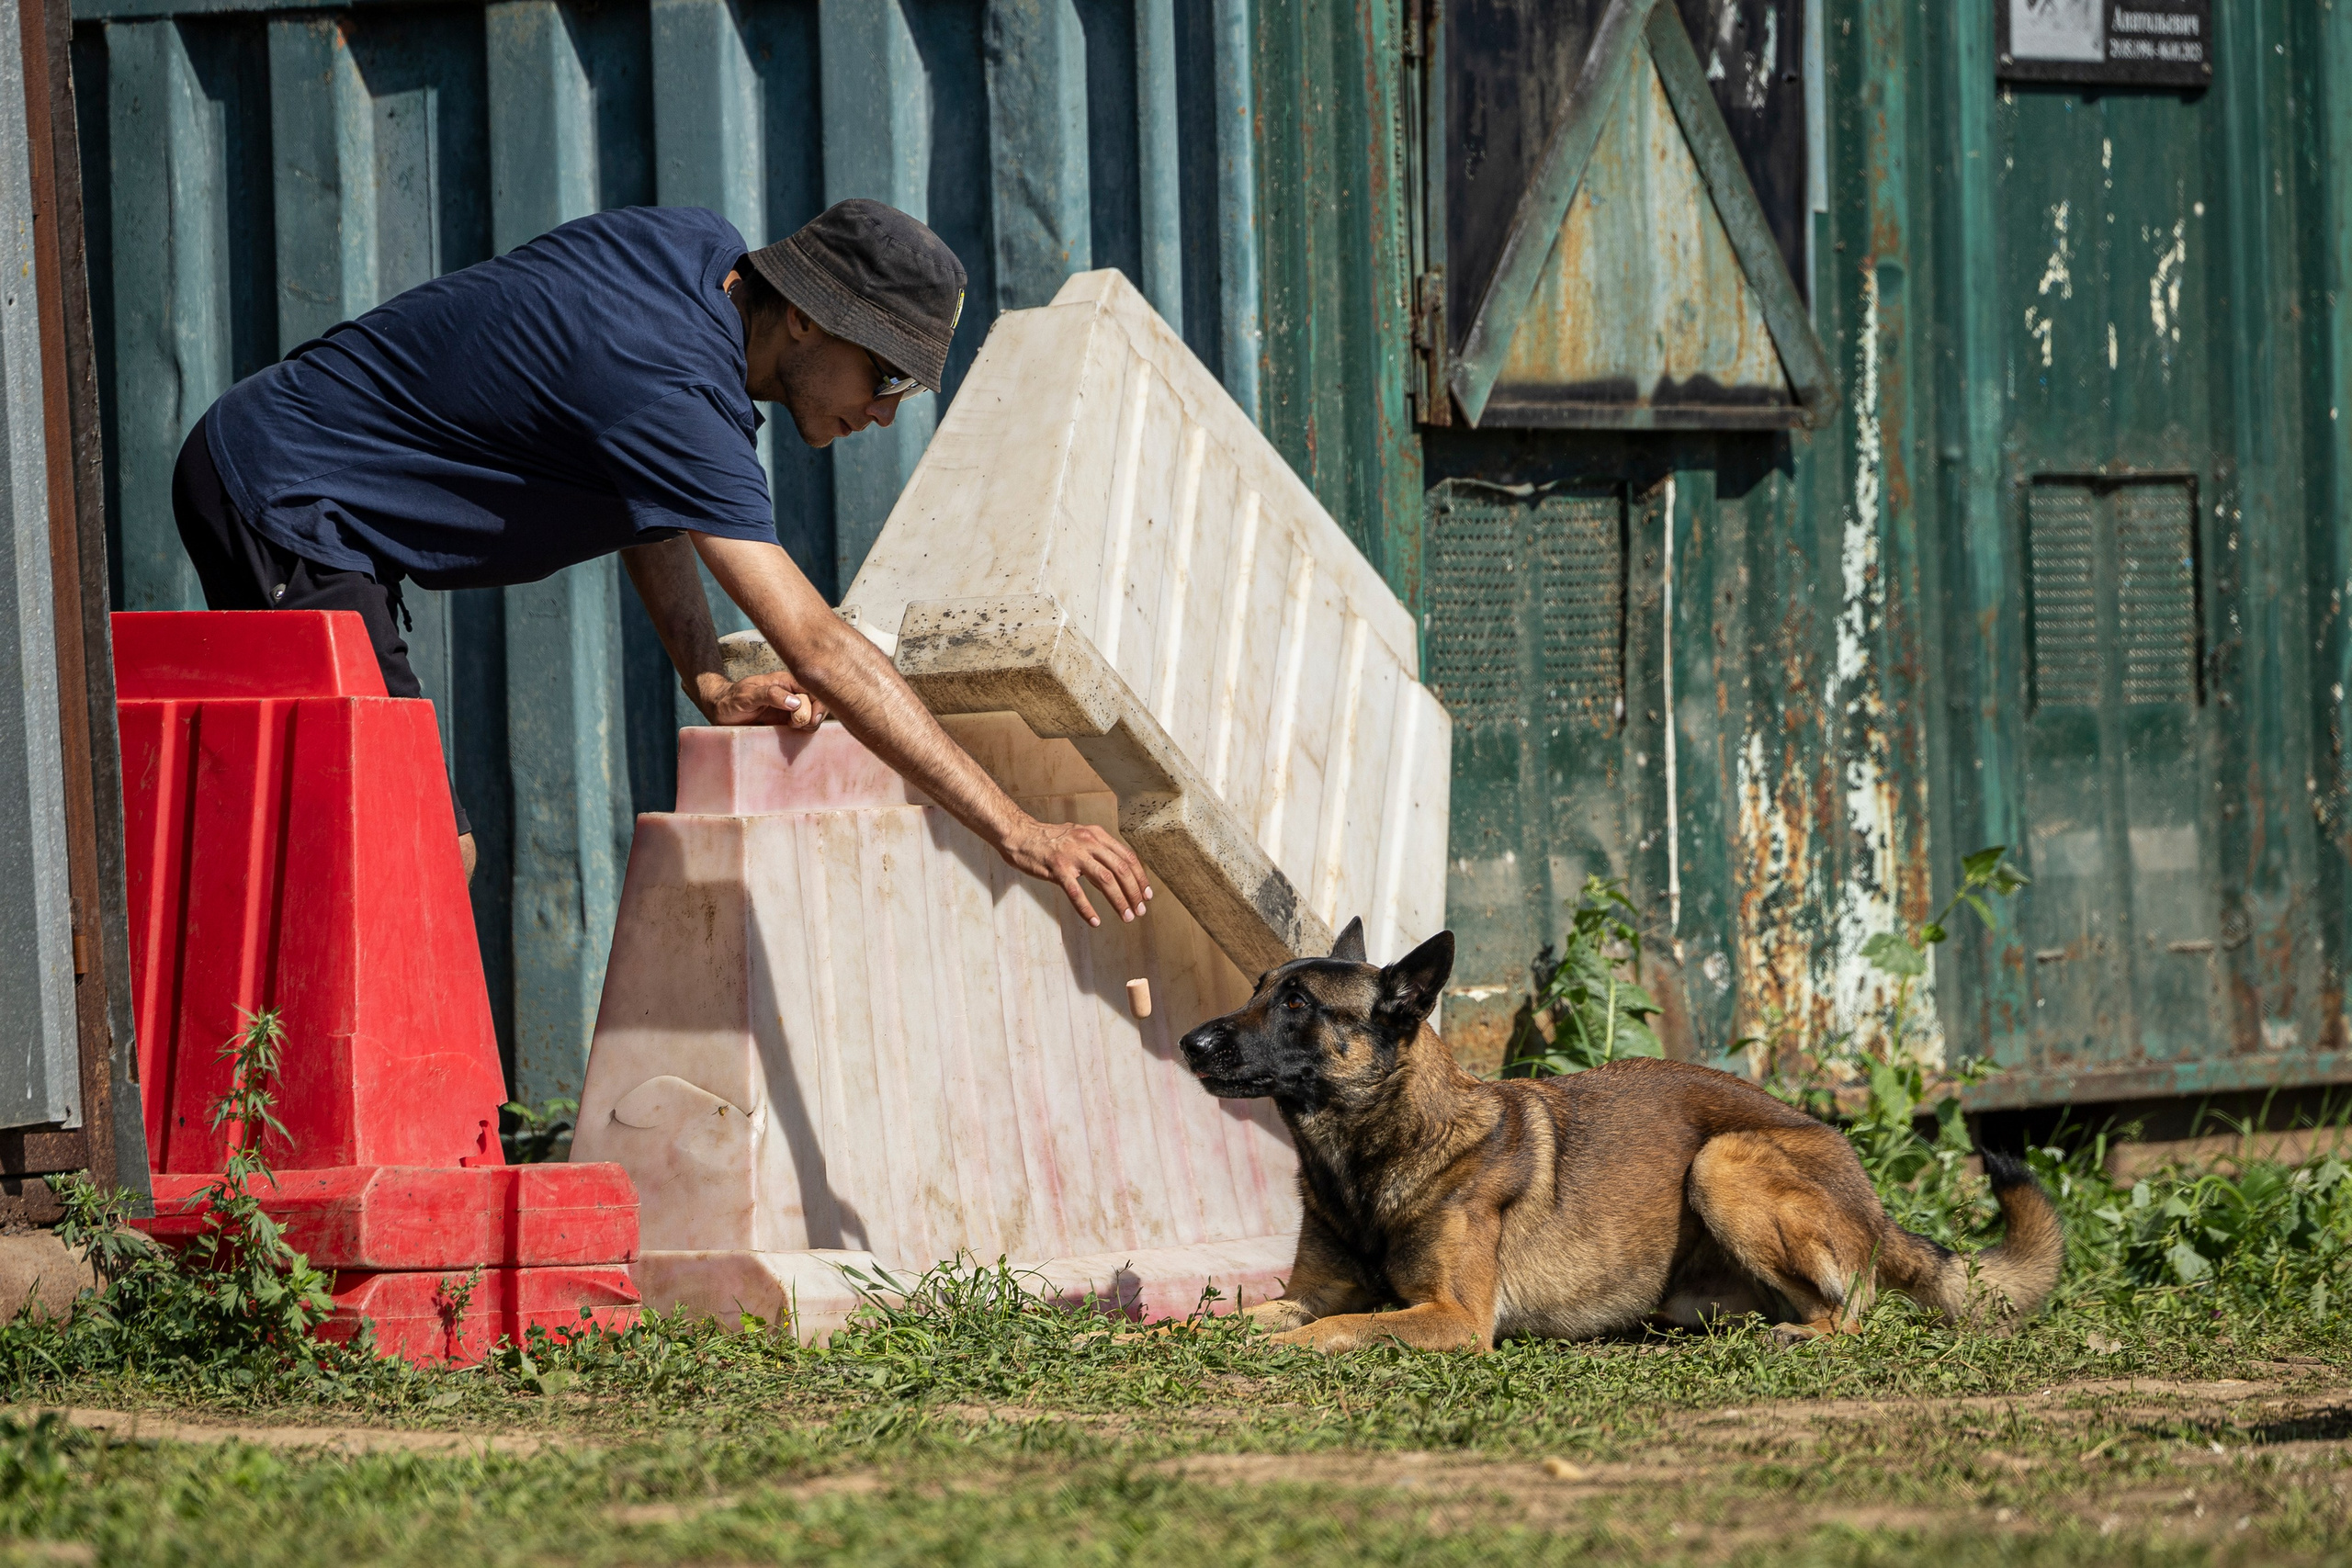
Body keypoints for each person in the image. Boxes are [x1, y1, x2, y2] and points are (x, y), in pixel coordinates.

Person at [171, 198, 1151, 928]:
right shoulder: (672, 391)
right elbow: (815, 645)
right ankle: (297, 1136)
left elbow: (640, 498)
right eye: (884, 373)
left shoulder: (698, 258)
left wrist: (709, 680)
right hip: (285, 495)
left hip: (314, 496)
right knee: (415, 847)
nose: (886, 411)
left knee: (409, 841)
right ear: (804, 317)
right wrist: (1019, 829)